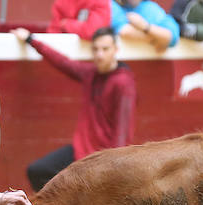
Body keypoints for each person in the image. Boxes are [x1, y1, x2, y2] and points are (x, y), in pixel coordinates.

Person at [14, 26, 137, 191]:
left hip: (102, 158)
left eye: (105, 49)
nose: (99, 54)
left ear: (116, 50)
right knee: (37, 171)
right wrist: (31, 40)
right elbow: (63, 62)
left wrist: (114, 167)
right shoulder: (90, 73)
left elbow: (123, 130)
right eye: (96, 49)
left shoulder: (123, 83)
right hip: (80, 151)